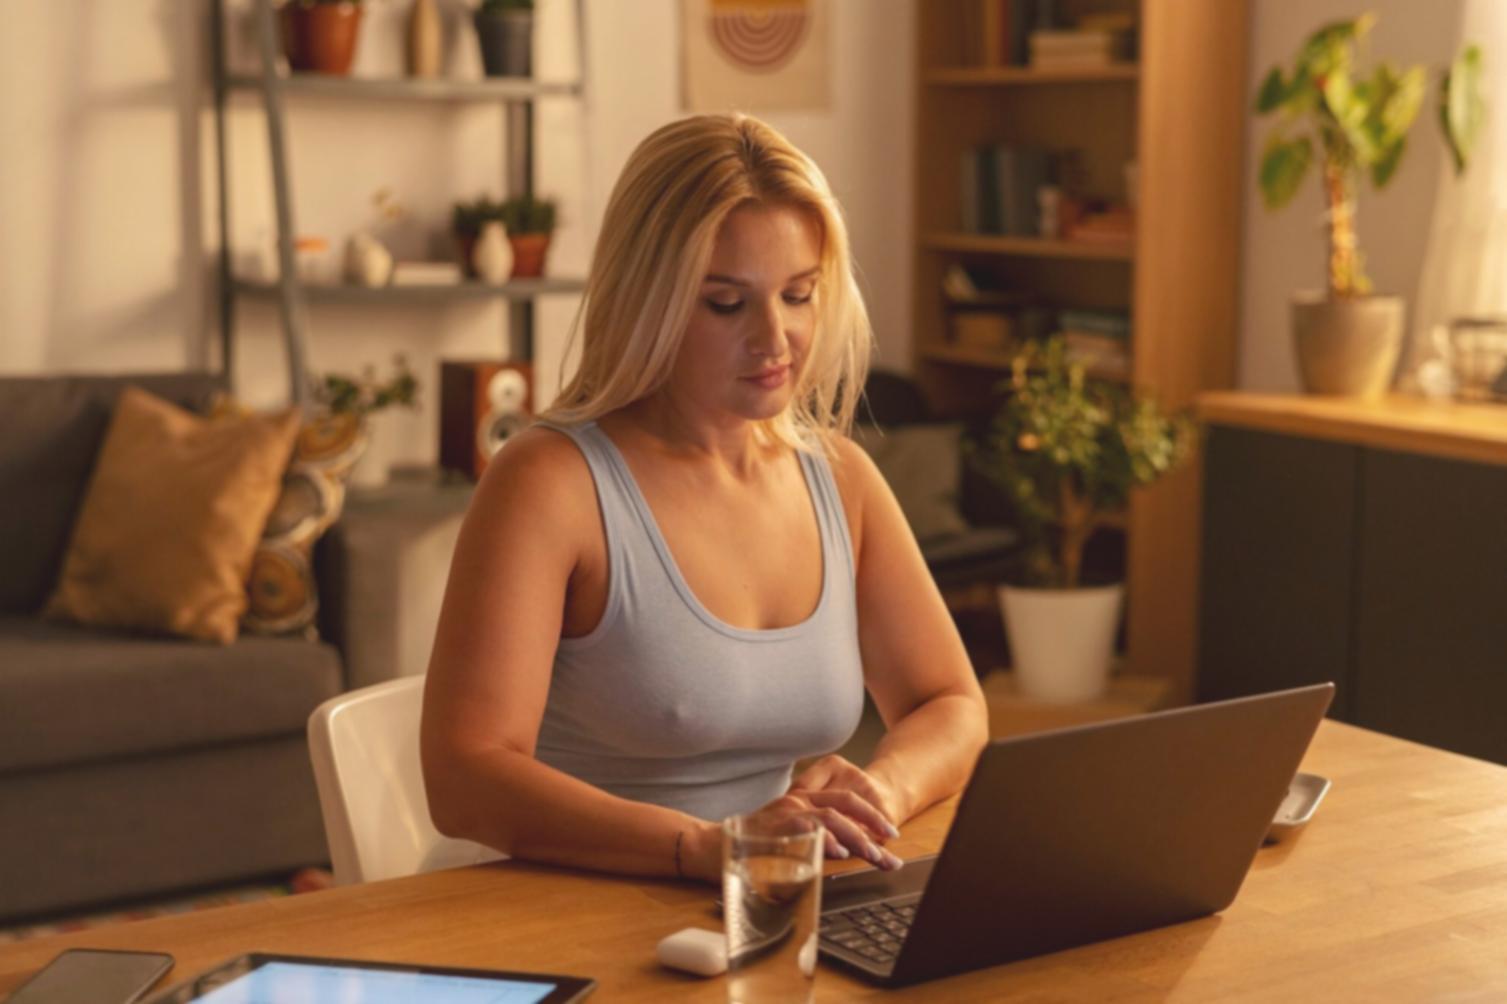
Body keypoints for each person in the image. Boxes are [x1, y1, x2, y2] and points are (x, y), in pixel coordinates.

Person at [421, 113, 987, 884]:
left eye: (798, 294)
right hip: (555, 906)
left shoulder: (840, 478)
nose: (775, 338)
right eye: (725, 303)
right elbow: (462, 779)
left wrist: (880, 790)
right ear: (645, 301)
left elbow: (950, 703)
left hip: (753, 899)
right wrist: (701, 847)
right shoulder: (548, 483)